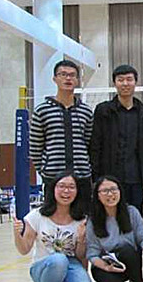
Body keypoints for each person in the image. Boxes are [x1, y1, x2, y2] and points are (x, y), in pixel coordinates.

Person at [12, 172, 92, 282]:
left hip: (71, 264)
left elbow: (81, 256)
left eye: (71, 187)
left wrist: (81, 239)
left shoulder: (81, 219)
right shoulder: (37, 216)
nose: (66, 191)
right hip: (43, 266)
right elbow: (24, 249)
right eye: (61, 186)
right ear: (53, 189)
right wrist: (17, 233)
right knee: (59, 260)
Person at [90, 64, 143, 216]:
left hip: (135, 178)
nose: (125, 83)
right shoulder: (103, 110)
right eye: (120, 80)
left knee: (134, 214)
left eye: (129, 79)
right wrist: (96, 176)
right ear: (114, 83)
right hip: (109, 176)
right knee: (108, 215)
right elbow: (95, 145)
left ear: (135, 82)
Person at [86, 175, 143, 282]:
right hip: (106, 264)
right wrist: (106, 267)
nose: (110, 194)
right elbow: (92, 254)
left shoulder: (131, 212)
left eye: (114, 189)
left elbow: (142, 237)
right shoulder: (93, 220)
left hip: (129, 261)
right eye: (105, 191)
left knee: (128, 250)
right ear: (97, 195)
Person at [30, 60, 95, 213]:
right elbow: (35, 147)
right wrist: (45, 171)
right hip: (53, 177)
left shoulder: (86, 111)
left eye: (72, 75)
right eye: (63, 74)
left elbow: (88, 144)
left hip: (81, 177)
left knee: (83, 219)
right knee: (54, 218)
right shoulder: (42, 111)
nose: (68, 78)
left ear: (77, 80)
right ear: (55, 79)